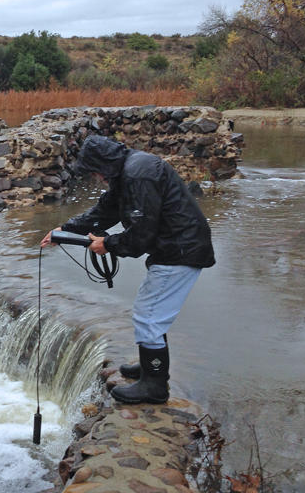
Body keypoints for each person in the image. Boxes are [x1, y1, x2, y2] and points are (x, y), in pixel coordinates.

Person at [40, 135, 215, 404]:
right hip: (176, 247)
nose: (97, 177)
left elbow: (141, 234)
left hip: (180, 251)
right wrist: (64, 230)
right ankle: (150, 367)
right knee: (151, 313)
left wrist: (108, 244)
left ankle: (155, 386)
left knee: (149, 317)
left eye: (96, 171)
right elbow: (106, 210)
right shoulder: (129, 169)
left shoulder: (138, 175)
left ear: (104, 164)